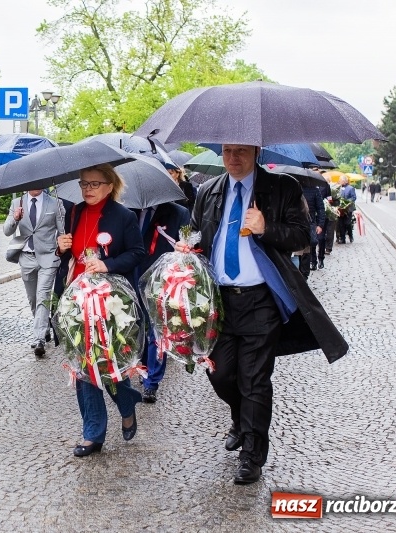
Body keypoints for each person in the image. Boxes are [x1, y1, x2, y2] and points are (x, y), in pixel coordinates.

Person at [179, 144, 347, 484]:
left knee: (254, 380)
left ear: (255, 151)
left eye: (241, 151)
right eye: (227, 151)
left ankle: (252, 456)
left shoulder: (282, 187)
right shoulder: (209, 190)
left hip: (260, 301)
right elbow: (196, 233)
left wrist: (265, 227)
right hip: (219, 301)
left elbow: (302, 236)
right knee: (221, 374)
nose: (233, 158)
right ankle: (241, 419)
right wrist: (187, 248)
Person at [54, 164, 146, 458]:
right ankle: (93, 433)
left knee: (107, 362)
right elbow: (73, 253)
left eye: (95, 184)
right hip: (78, 299)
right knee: (83, 366)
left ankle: (126, 401)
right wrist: (62, 247)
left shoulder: (124, 216)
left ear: (110, 185)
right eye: (84, 184)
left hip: (109, 301)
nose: (88, 189)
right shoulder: (75, 211)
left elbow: (137, 253)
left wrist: (108, 264)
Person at [132, 200, 190, 403]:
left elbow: (188, 242)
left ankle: (152, 383)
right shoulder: (129, 210)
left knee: (157, 329)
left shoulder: (177, 212)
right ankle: (142, 366)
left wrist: (185, 247)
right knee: (137, 325)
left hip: (162, 277)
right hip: (132, 273)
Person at [3, 189, 61, 358]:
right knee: (33, 299)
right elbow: (7, 231)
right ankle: (44, 325)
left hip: (48, 257)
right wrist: (15, 218)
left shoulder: (54, 202)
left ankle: (39, 339)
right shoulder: (17, 203)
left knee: (43, 295)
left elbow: (62, 229)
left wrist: (62, 246)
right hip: (26, 257)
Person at [300, 185, 324, 278]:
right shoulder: (293, 187)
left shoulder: (314, 190)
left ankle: (305, 272)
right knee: (304, 250)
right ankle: (303, 274)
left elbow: (320, 208)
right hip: (303, 223)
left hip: (308, 223)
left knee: (307, 249)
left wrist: (320, 225)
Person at [337, 176, 356, 244]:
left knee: (347, 223)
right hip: (340, 209)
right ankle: (342, 238)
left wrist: (346, 202)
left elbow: (353, 197)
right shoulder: (339, 188)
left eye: (341, 180)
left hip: (348, 209)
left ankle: (351, 236)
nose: (340, 181)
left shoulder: (351, 188)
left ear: (345, 181)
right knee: (341, 224)